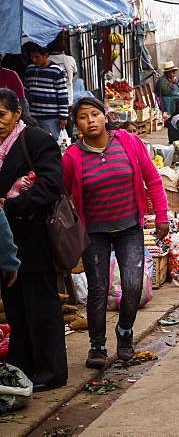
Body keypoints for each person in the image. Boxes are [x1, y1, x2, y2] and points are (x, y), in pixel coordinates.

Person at [63, 96, 169, 368]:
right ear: (77, 124)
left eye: (95, 115)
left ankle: (125, 332)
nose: (90, 121)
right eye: (83, 117)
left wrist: (161, 215)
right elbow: (62, 194)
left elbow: (152, 178)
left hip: (129, 227)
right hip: (93, 233)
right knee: (98, 290)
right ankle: (97, 346)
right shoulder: (72, 157)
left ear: (105, 116)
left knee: (133, 284)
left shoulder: (127, 142)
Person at [0, 89, 67, 391]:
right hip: (6, 242)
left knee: (42, 308)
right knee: (16, 309)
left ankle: (51, 373)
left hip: (35, 237)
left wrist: (12, 205)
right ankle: (22, 368)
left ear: (16, 113)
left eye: (1, 115)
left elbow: (51, 185)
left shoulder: (37, 140)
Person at [23, 42, 70, 138]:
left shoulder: (56, 71)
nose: (34, 60)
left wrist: (63, 116)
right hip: (33, 116)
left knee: (52, 143)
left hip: (51, 117)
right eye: (32, 57)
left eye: (37, 57)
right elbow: (26, 91)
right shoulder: (30, 69)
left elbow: (62, 95)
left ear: (46, 55)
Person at [46, 38, 78, 104]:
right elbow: (74, 73)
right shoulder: (69, 59)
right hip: (68, 98)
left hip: (50, 101)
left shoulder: (45, 60)